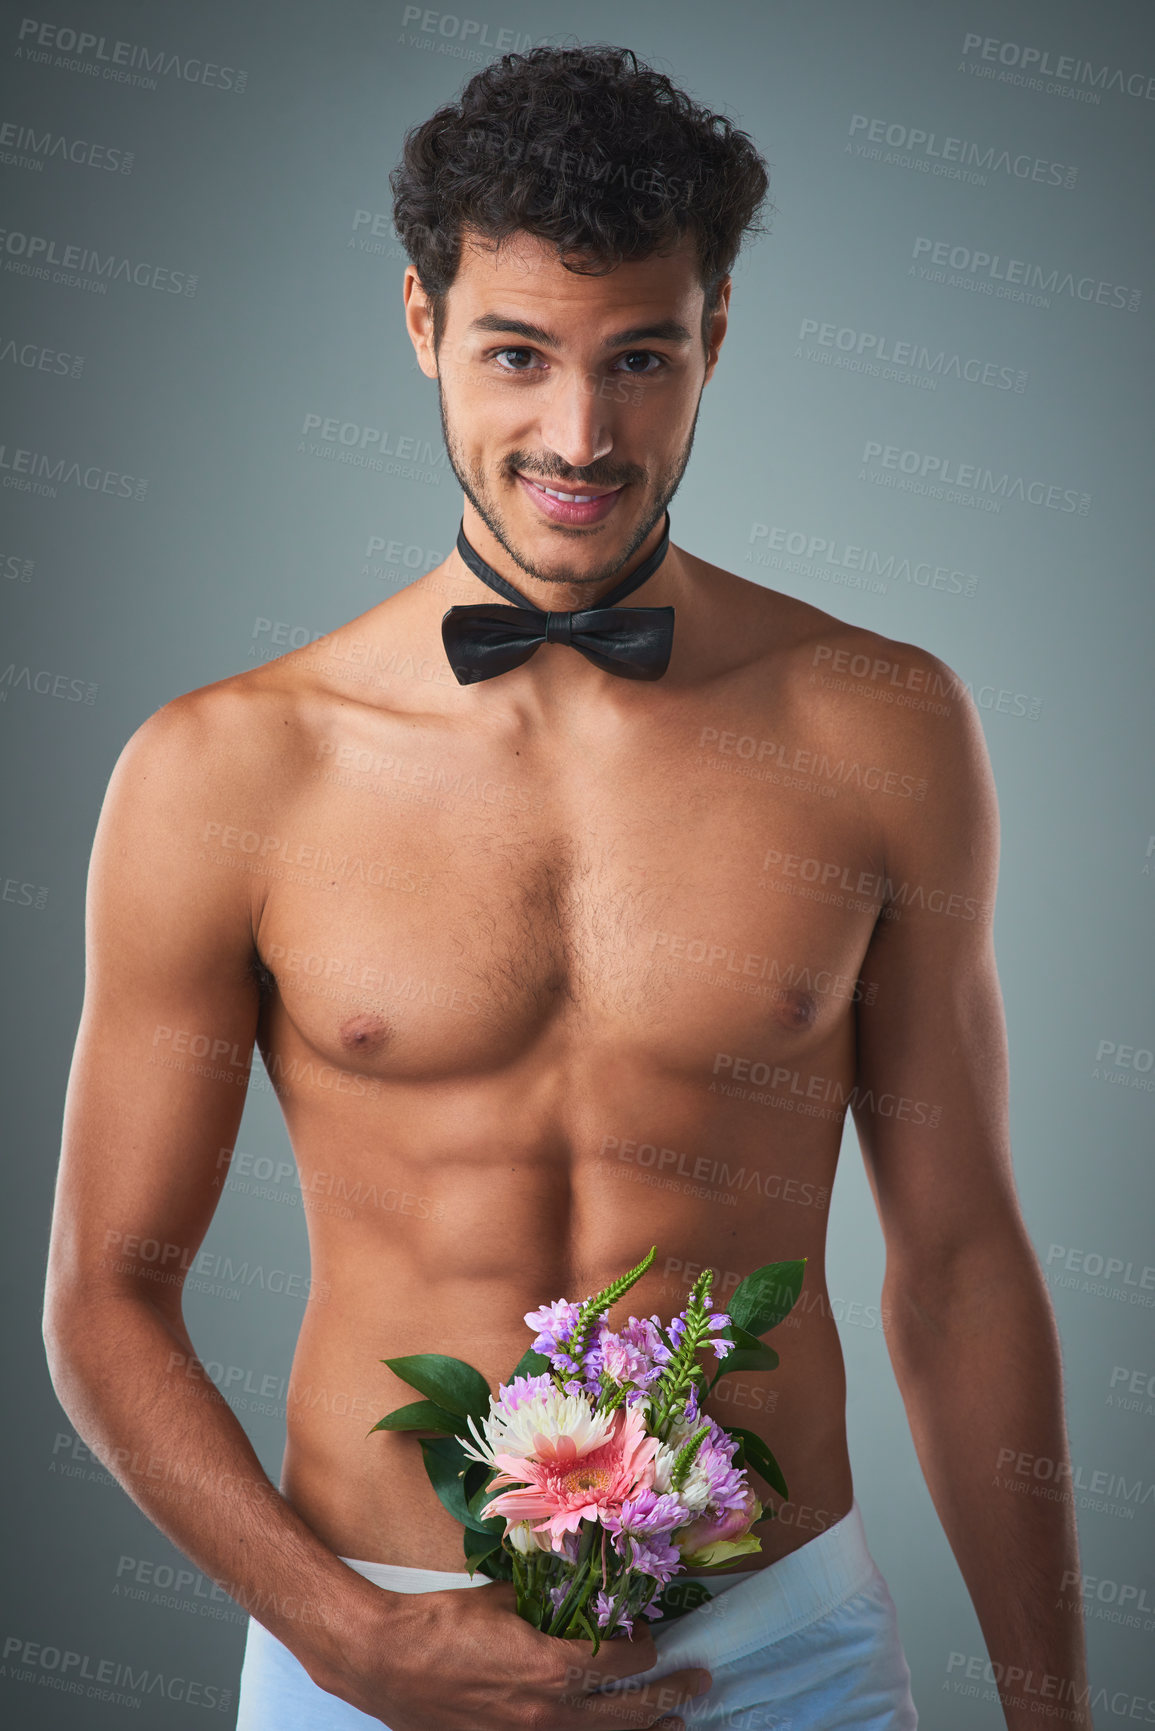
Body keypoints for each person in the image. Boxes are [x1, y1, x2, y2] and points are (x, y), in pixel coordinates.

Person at [44, 42, 1092, 1731]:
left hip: (781, 1654)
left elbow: (961, 1261)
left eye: (642, 360)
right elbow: (102, 1298)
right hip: (366, 1651)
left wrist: (1057, 1714)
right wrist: (348, 1639)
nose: (579, 434)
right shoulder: (224, 770)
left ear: (717, 341)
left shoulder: (884, 727)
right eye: (517, 356)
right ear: (420, 328)